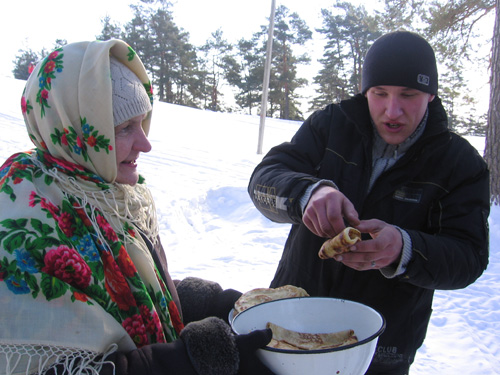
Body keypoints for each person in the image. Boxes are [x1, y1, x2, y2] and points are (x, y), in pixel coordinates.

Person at [0, 39, 273, 375]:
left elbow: (124, 296)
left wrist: (202, 303)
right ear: (71, 129)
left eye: (142, 122)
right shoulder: (24, 220)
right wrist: (190, 360)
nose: (145, 143)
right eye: (125, 128)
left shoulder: (109, 194)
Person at [248, 30, 490, 374]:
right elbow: (264, 179)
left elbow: (469, 256)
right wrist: (308, 194)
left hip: (381, 346)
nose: (393, 109)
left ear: (431, 95)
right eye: (380, 93)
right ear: (365, 91)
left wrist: (404, 249)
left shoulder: (460, 163)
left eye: (408, 94)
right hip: (293, 320)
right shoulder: (331, 125)